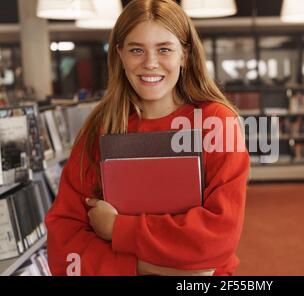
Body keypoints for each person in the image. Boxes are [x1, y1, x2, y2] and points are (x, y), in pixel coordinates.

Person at [45, 0, 249, 276]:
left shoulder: (216, 122)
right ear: (120, 55)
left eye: (164, 49)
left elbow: (217, 237)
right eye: (136, 50)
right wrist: (143, 267)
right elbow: (62, 242)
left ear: (185, 55)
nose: (150, 63)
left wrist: (116, 229)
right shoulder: (102, 125)